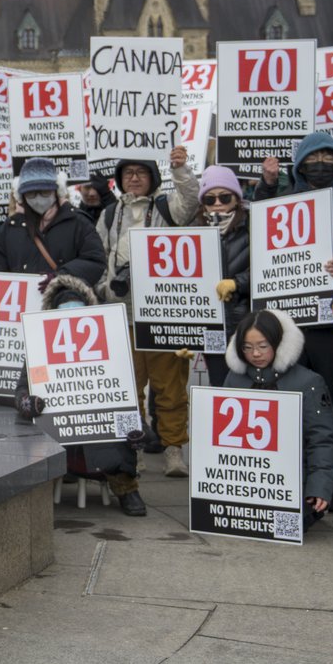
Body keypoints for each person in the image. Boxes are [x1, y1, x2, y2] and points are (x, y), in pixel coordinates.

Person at [252, 131, 333, 502]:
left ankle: (332, 482)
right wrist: (266, 186)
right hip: (288, 322)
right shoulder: (282, 202)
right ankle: (291, 479)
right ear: (300, 164)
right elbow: (257, 237)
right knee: (285, 402)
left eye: (329, 159)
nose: (321, 165)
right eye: (313, 158)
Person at [97, 148, 199, 477]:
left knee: (170, 388)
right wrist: (105, 288)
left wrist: (180, 170)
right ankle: (133, 450)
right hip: (122, 313)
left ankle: (173, 450)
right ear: (120, 179)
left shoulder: (168, 206)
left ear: (153, 177)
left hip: (163, 313)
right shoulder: (110, 214)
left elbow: (191, 202)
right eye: (128, 173)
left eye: (141, 172)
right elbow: (99, 255)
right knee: (128, 389)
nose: (134, 178)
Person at [16, 273, 148, 515]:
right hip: (59, 432)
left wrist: (139, 429)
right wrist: (27, 402)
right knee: (31, 430)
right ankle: (38, 491)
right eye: (64, 313)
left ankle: (126, 488)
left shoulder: (111, 346)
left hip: (97, 434)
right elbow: (22, 389)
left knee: (121, 427)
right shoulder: (39, 346)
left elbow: (124, 394)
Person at [223, 307, 333, 528]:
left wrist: (319, 488)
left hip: (291, 482)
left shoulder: (308, 382)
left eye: (263, 346)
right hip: (242, 480)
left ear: (278, 343)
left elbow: (321, 439)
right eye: (247, 347)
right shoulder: (234, 378)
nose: (255, 354)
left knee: (290, 524)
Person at [0, 157, 104, 291]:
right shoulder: (11, 226)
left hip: (64, 298)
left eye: (45, 192)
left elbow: (94, 260)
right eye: (31, 194)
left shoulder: (78, 222)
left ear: (57, 191)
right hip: (22, 300)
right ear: (21, 196)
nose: (38, 199)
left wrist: (61, 277)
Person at [194, 166, 252, 387]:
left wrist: (238, 283)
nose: (217, 203)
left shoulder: (253, 224)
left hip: (247, 323)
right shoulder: (193, 229)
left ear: (236, 198)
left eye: (225, 197)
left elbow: (269, 270)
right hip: (212, 328)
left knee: (251, 387)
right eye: (210, 199)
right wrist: (186, 338)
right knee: (219, 386)